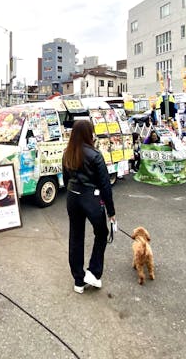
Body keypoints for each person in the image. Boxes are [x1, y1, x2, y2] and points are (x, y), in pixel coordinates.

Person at [62, 120, 116, 294]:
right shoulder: (95, 155)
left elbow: (65, 179)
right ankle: (93, 272)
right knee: (101, 233)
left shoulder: (67, 152)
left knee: (75, 237)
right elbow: (105, 185)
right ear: (88, 133)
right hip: (91, 199)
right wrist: (111, 212)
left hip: (72, 196)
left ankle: (78, 280)